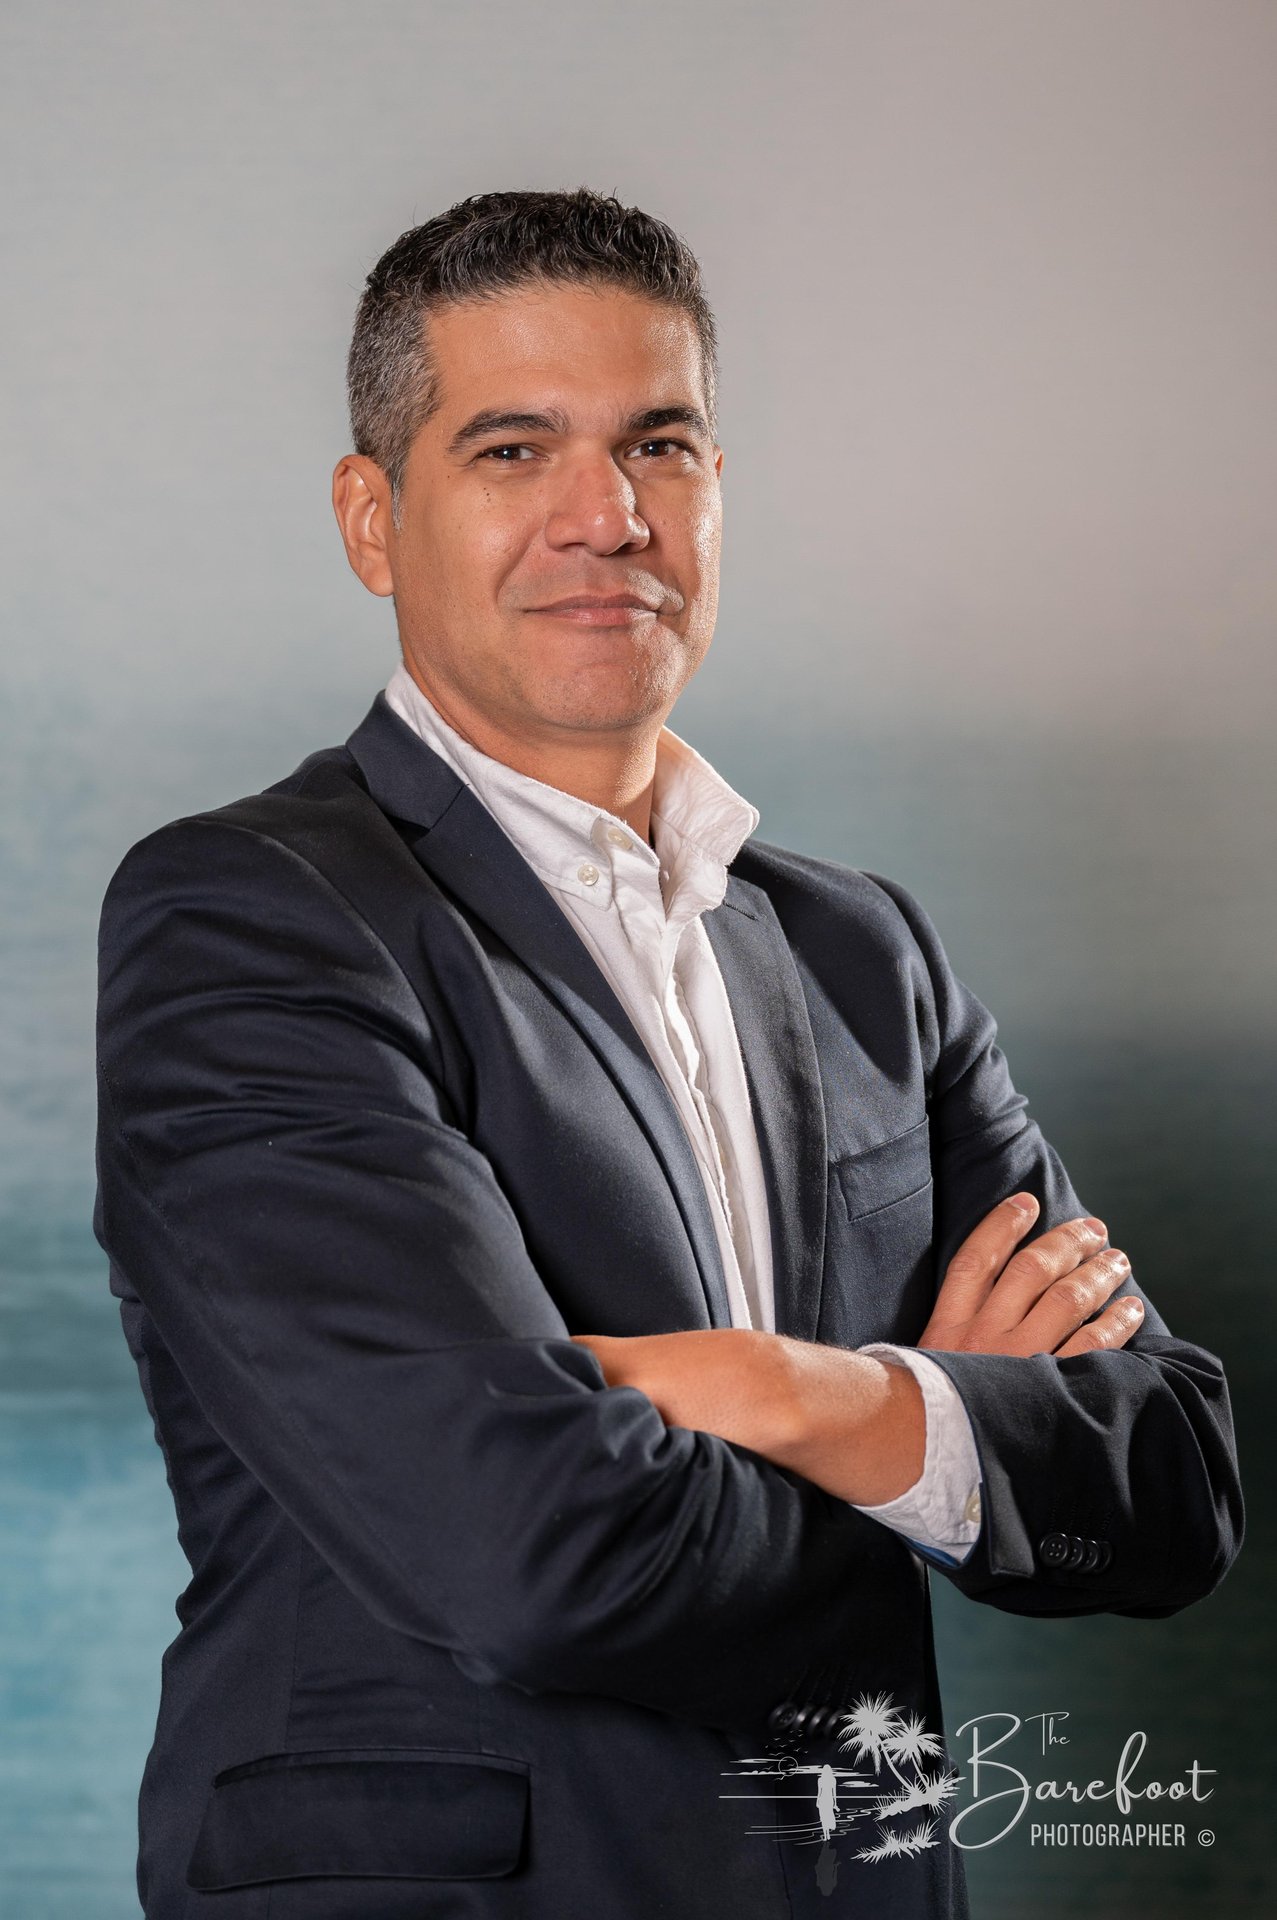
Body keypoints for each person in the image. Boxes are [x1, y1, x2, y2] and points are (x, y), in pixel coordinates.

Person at [93, 188, 1242, 1920]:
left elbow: (1168, 1484)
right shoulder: (251, 920)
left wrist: (782, 1387)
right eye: (509, 450)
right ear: (370, 519)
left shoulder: (865, 951)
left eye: (660, 444)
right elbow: (530, 1554)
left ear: (718, 493)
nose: (604, 516)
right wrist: (934, 1429)